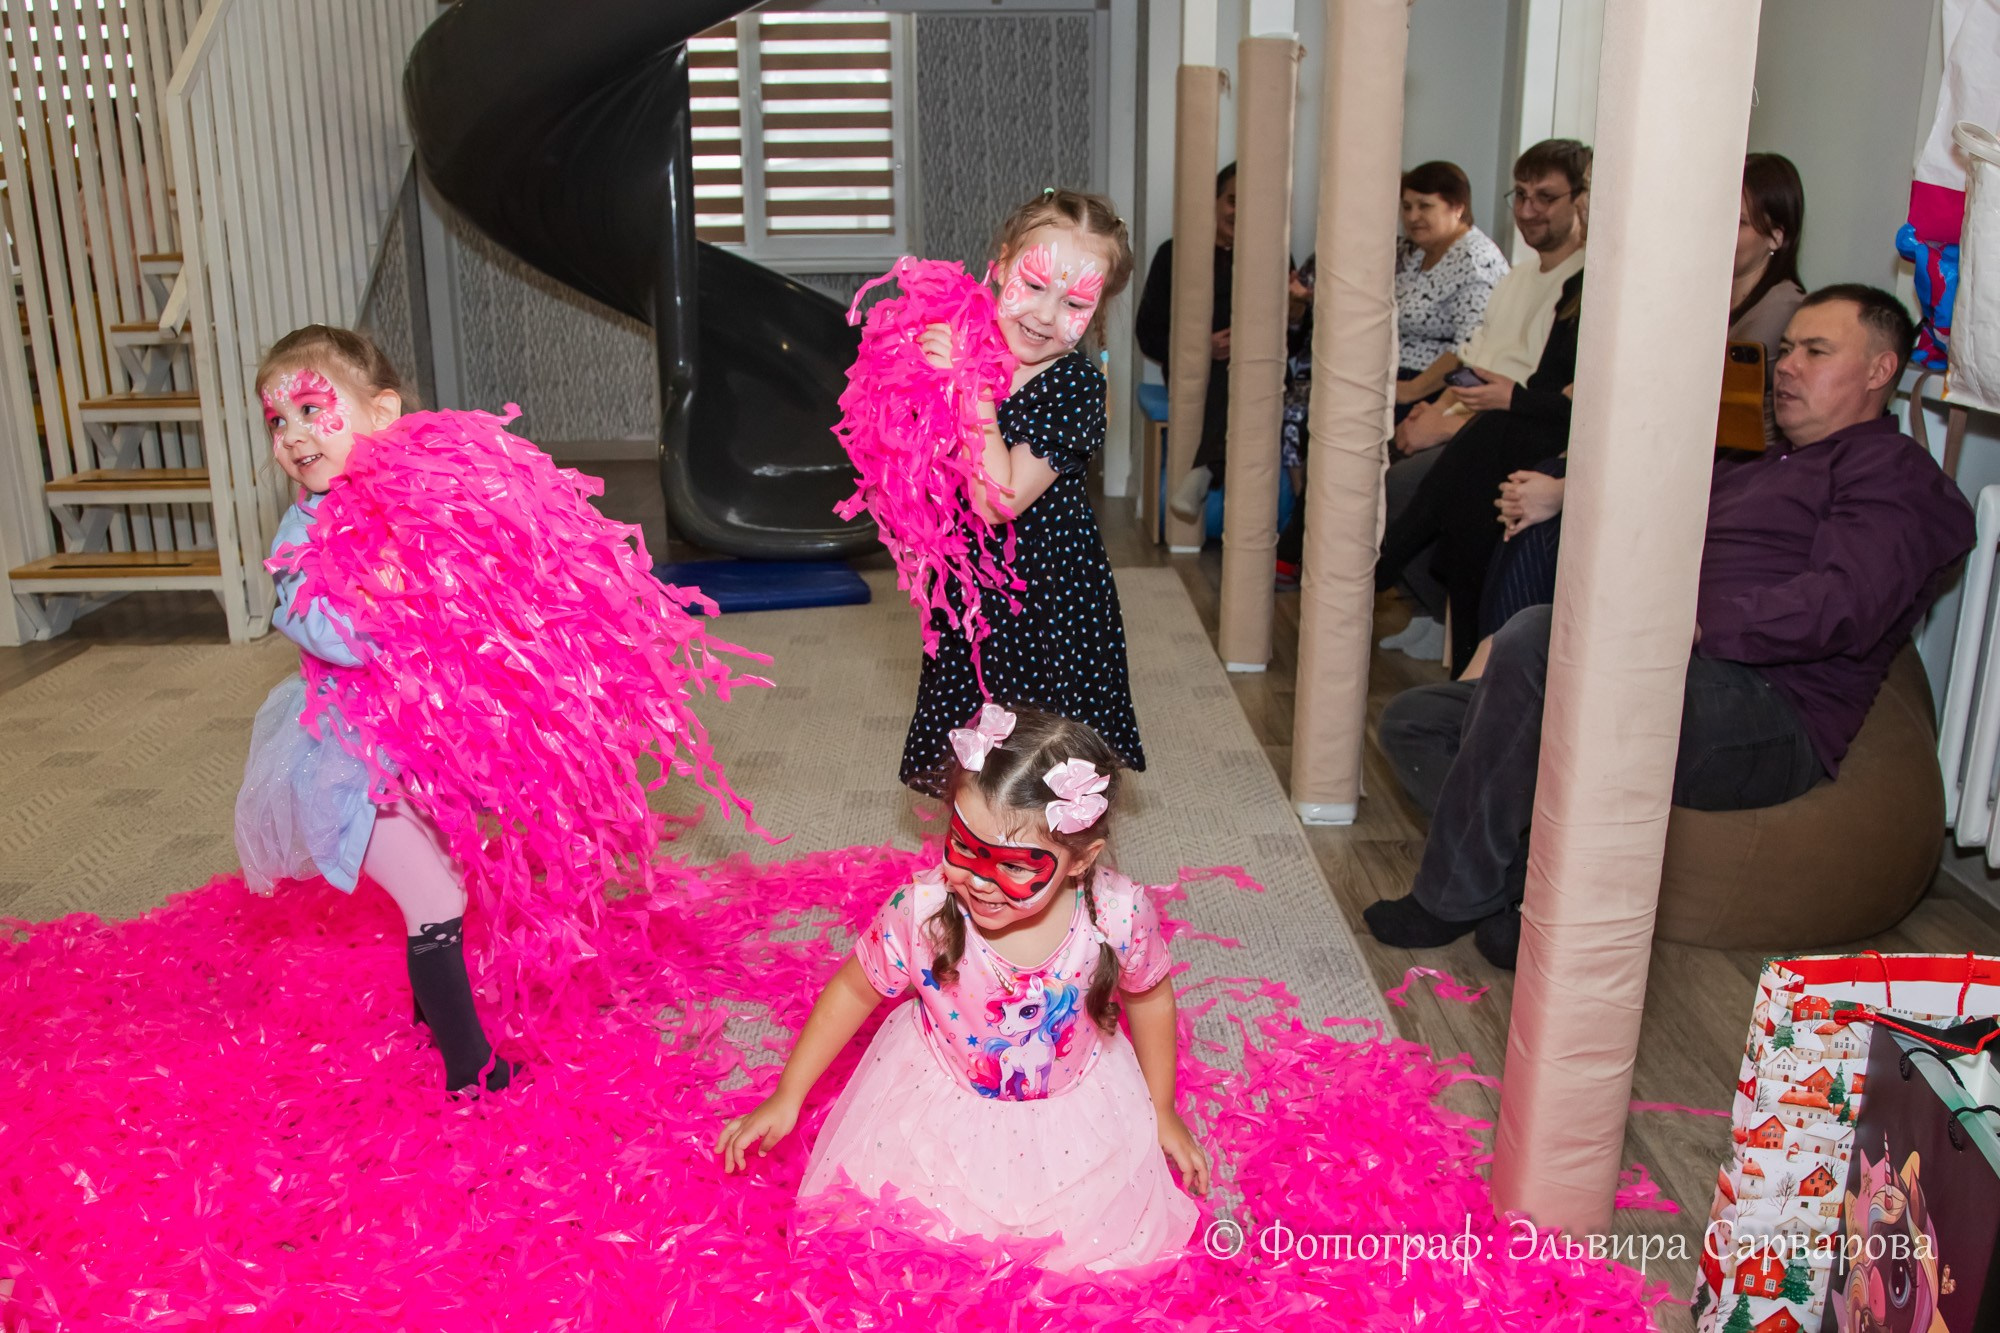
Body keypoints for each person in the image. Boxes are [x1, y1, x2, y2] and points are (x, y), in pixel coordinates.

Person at [1364, 286, 1977, 970]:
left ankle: (1450, 895)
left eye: (1816, 351)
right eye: (1787, 350)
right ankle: (1529, 881)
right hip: (1658, 670)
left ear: (1879, 370)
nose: (1788, 366)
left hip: (1767, 708)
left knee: (1536, 640)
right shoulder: (1752, 463)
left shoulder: (1891, 473)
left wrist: (1693, 626)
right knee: (1418, 719)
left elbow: (1844, 604)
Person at [717, 706, 1207, 1272]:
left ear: (1080, 861)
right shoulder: (922, 913)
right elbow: (854, 991)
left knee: (1088, 1259)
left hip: (1077, 1113)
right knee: (925, 1254)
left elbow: (1150, 994)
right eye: (965, 847)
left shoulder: (1117, 914)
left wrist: (1163, 1109)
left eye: (1016, 866)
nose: (979, 881)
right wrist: (789, 1093)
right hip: (937, 1111)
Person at [234, 327, 513, 1095]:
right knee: (436, 896)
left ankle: (432, 1018)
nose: (291, 436)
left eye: (311, 409)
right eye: (277, 421)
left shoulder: (409, 503)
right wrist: (390, 600)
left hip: (413, 742)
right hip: (348, 758)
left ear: (381, 412)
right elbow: (325, 627)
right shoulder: (299, 537)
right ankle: (471, 1070)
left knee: (441, 872)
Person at [1464, 153, 1811, 644]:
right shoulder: (1705, 299)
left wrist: (1576, 484)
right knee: (1519, 485)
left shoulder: (1779, 314)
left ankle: (1496, 679)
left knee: (1535, 508)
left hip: (1717, 479)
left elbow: (1695, 430)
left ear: (1777, 235)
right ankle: (1490, 677)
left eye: (1735, 223)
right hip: (1662, 461)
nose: (1715, 234)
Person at [897, 188, 1146, 792]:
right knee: (968, 751)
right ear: (1002, 264)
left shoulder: (1076, 388)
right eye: (1033, 285)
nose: (1044, 314)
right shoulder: (964, 345)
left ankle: (1054, 873)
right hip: (970, 588)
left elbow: (999, 497)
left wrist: (967, 384)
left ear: (1099, 309)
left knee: (1043, 762)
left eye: (1074, 302)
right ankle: (976, 866)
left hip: (1048, 598)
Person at [1378, 140, 1591, 658]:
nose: (1528, 209)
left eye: (1545, 197)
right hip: (1484, 415)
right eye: (1519, 195)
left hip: (1512, 429)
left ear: (1580, 203)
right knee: (1380, 457)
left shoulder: (1582, 282)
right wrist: (1432, 410)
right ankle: (1428, 609)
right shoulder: (1520, 275)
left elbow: (1528, 396)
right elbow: (1473, 362)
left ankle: (1379, 586)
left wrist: (1443, 425)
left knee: (1405, 483)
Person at [1374, 270, 1583, 671]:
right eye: (1521, 199)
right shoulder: (1578, 285)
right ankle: (1465, 673)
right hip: (1531, 420)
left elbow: (1587, 403)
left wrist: (1513, 398)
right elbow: (1547, 385)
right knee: (1470, 502)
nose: (1529, 208)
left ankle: (1381, 566)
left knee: (1473, 459)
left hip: (1567, 437)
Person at [1135, 164, 1238, 522]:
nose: (1238, 212)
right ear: (1214, 201)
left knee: (1240, 368)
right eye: (1232, 201)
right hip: (1192, 370)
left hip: (1255, 374)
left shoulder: (1270, 260)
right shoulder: (1173, 254)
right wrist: (1201, 348)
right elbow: (1147, 333)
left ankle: (1205, 469)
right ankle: (1207, 468)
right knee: (1226, 369)